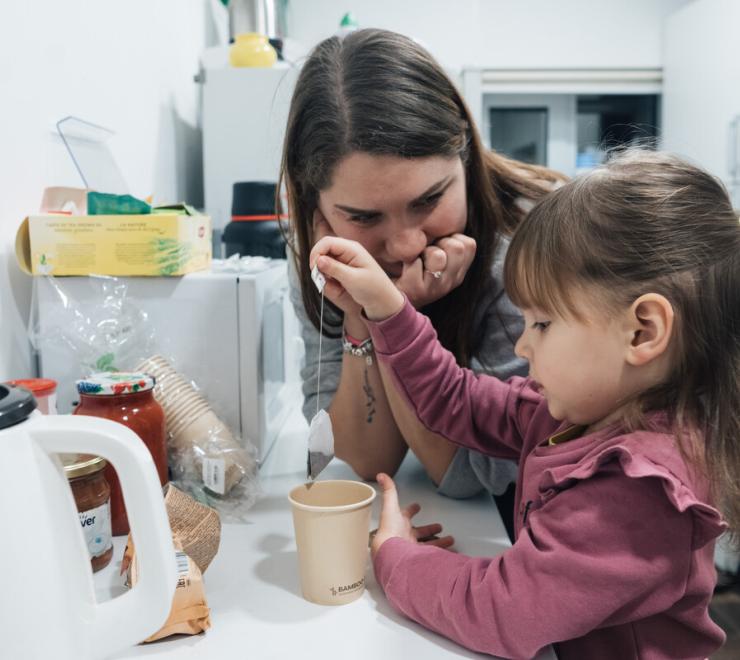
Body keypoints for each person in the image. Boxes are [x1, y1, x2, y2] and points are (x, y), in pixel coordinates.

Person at [309, 150, 739, 659]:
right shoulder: (577, 412)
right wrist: (389, 311)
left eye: (542, 323)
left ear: (642, 330)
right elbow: (457, 400)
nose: (521, 346)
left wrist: (394, 556)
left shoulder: (640, 490)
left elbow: (501, 609)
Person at [279, 28, 564, 528]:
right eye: (364, 217)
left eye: (429, 200)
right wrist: (367, 316)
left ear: (467, 158)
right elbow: (368, 461)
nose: (408, 245)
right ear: (316, 209)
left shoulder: (528, 241)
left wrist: (395, 316)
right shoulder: (326, 255)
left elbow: (466, 475)